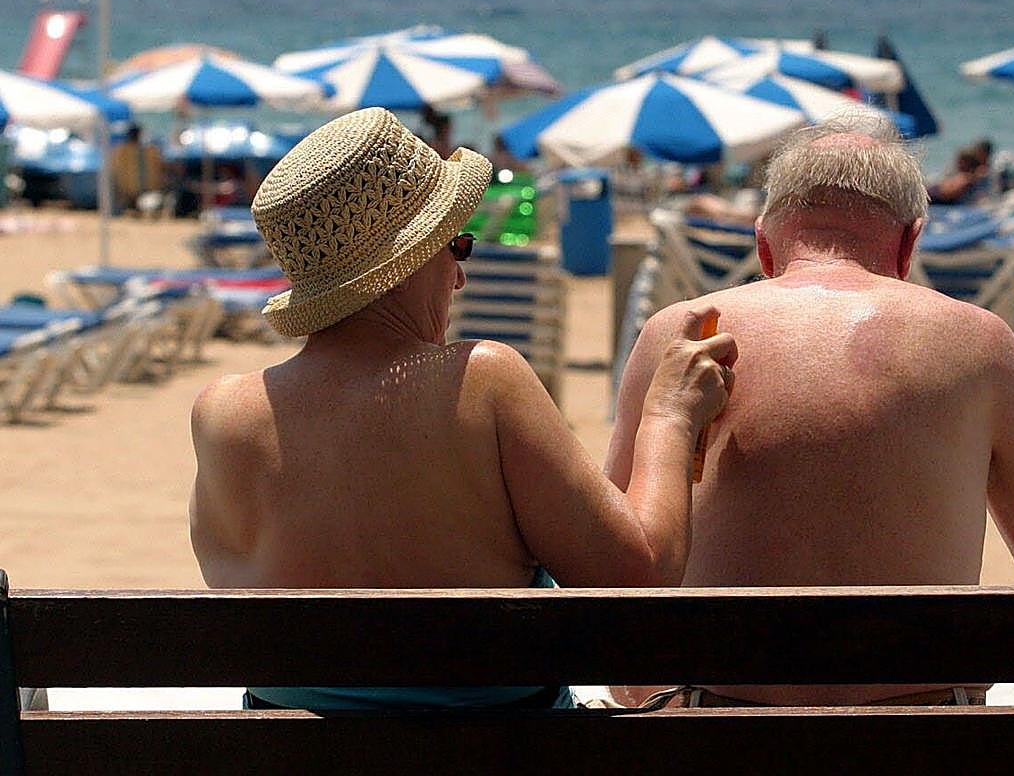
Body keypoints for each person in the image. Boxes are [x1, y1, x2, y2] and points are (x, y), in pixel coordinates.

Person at [189, 108, 737, 711]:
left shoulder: (222, 415)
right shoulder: (481, 381)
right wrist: (670, 416)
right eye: (457, 246)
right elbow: (639, 581)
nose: (460, 279)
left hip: (286, 762)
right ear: (407, 263)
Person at [608, 115, 1014, 708]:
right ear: (910, 243)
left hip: (712, 734)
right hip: (927, 740)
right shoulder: (981, 345)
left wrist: (656, 709)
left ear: (764, 244)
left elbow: (609, 572)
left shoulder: (681, 338)